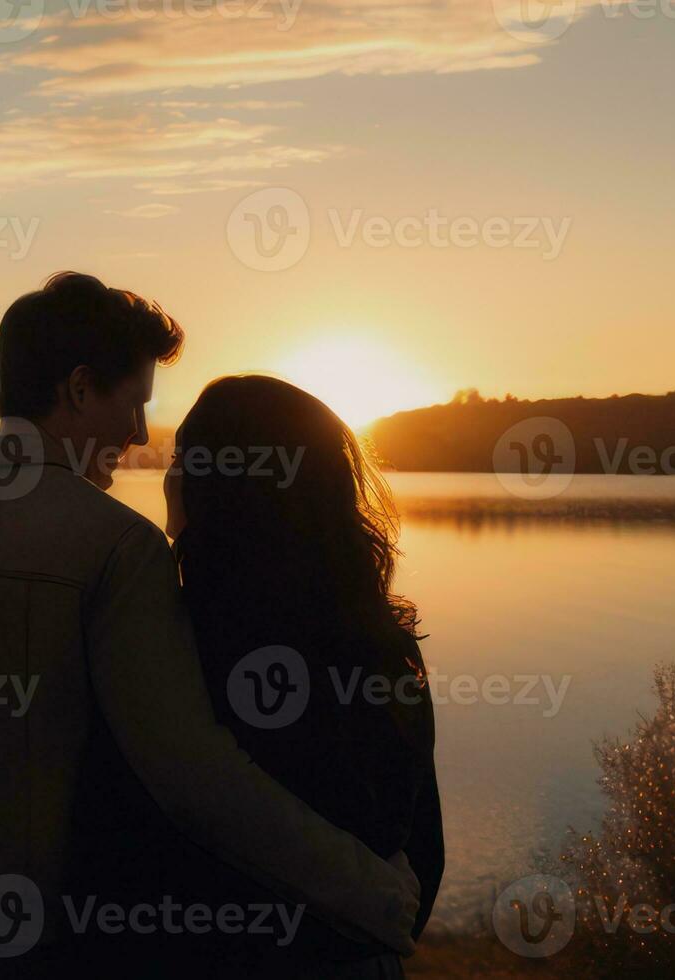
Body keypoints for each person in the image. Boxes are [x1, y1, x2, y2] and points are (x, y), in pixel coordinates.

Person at [0, 273, 420, 978]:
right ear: (76, 389)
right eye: (133, 405)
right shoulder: (117, 547)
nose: (137, 436)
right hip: (43, 947)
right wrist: (367, 891)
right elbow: (189, 775)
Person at [159, 375, 444, 978]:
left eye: (183, 459)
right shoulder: (379, 642)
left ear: (225, 486)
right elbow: (424, 848)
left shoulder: (184, 639)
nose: (169, 476)